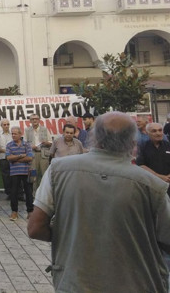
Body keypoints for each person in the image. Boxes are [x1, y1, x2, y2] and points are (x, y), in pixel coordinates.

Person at [28, 112, 170, 292]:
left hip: (75, 282)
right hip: (138, 283)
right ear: (133, 143)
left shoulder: (58, 170)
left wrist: (70, 236)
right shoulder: (152, 185)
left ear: (94, 138)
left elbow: (35, 228)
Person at [6, 126, 33, 221]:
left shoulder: (27, 144)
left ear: (20, 134)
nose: (13, 135)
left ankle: (30, 212)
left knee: (28, 192)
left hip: (26, 171)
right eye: (12, 133)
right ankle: (14, 212)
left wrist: (16, 158)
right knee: (14, 192)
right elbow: (9, 158)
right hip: (14, 172)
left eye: (15, 133)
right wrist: (21, 155)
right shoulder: (9, 145)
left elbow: (30, 158)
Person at [137, 122, 170, 196]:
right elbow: (141, 165)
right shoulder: (143, 147)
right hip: (152, 185)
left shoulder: (168, 145)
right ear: (147, 133)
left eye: (160, 130)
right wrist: (159, 177)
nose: (158, 133)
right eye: (154, 131)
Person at [24, 114, 52, 189]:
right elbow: (24, 143)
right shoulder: (27, 130)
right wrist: (31, 146)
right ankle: (34, 194)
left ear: (39, 120)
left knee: (45, 174)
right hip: (32, 155)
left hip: (43, 155)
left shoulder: (45, 129)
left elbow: (50, 142)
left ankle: (45, 193)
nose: (34, 120)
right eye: (32, 119)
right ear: (30, 121)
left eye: (36, 119)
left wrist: (45, 143)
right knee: (33, 175)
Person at [0, 119, 12, 199]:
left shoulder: (12, 134)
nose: (6, 126)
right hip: (3, 158)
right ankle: (9, 193)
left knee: (14, 176)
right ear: (1, 126)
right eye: (4, 124)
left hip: (13, 158)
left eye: (7, 124)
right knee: (5, 177)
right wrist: (5, 151)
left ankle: (18, 194)